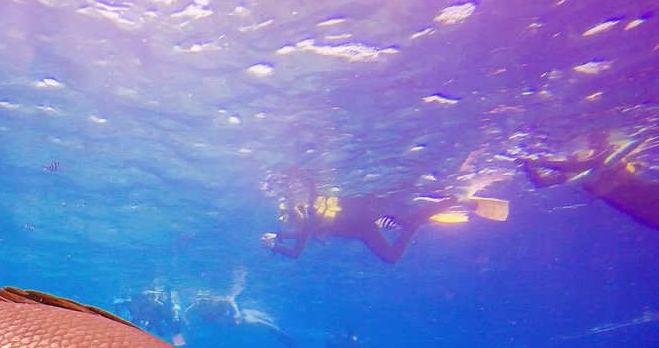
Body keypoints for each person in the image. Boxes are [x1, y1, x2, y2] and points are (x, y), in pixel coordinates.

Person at [262, 173, 507, 263]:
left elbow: (295, 252)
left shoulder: (308, 223)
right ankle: (453, 203)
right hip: (367, 216)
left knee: (394, 253)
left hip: (364, 227)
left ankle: (445, 206)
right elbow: (301, 231)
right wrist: (279, 236)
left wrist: (274, 245)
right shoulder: (312, 213)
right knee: (406, 219)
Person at [521, 137, 659, 231]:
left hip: (642, 202)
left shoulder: (602, 158)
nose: (572, 155)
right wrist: (530, 166)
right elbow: (542, 182)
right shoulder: (585, 168)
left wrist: (535, 164)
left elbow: (579, 166)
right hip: (642, 204)